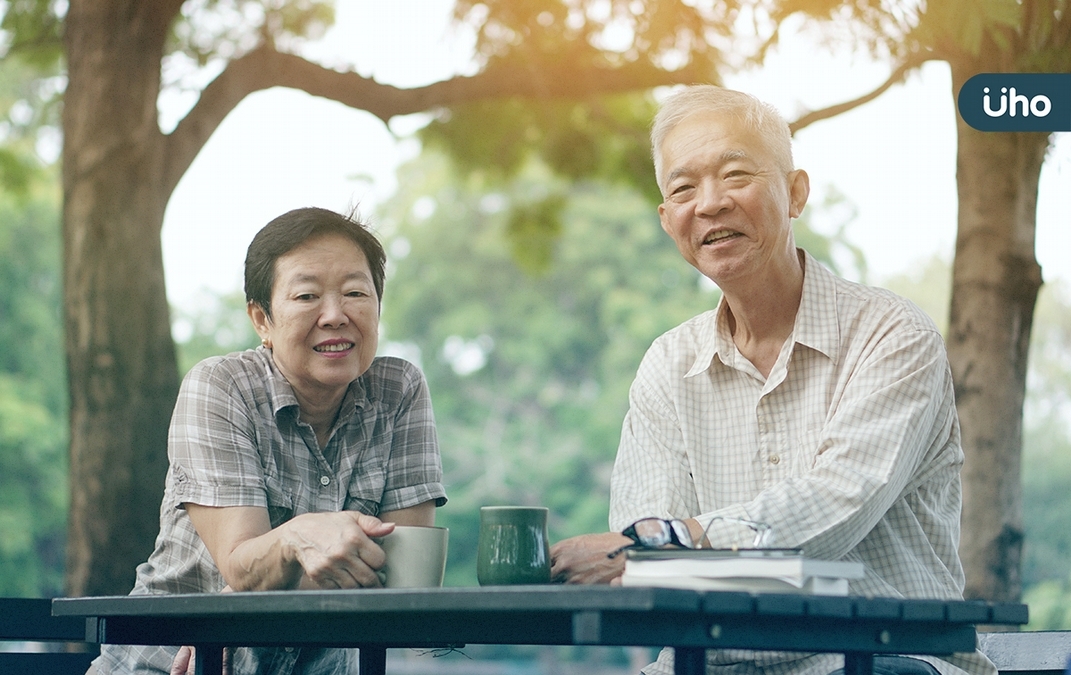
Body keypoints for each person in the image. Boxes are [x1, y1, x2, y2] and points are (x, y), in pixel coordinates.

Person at [549, 85, 997, 675]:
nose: (709, 204)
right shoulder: (667, 365)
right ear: (667, 220)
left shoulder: (891, 335)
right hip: (710, 665)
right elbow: (645, 566)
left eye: (735, 174)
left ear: (795, 192)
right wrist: (657, 547)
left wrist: (670, 541)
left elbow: (834, 509)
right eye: (683, 188)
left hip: (879, 660)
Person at [88, 207, 447, 675]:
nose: (335, 315)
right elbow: (242, 563)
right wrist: (298, 541)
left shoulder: (400, 390)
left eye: (356, 292)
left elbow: (406, 576)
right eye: (307, 296)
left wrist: (253, 589)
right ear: (262, 320)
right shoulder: (221, 386)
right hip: (170, 664)